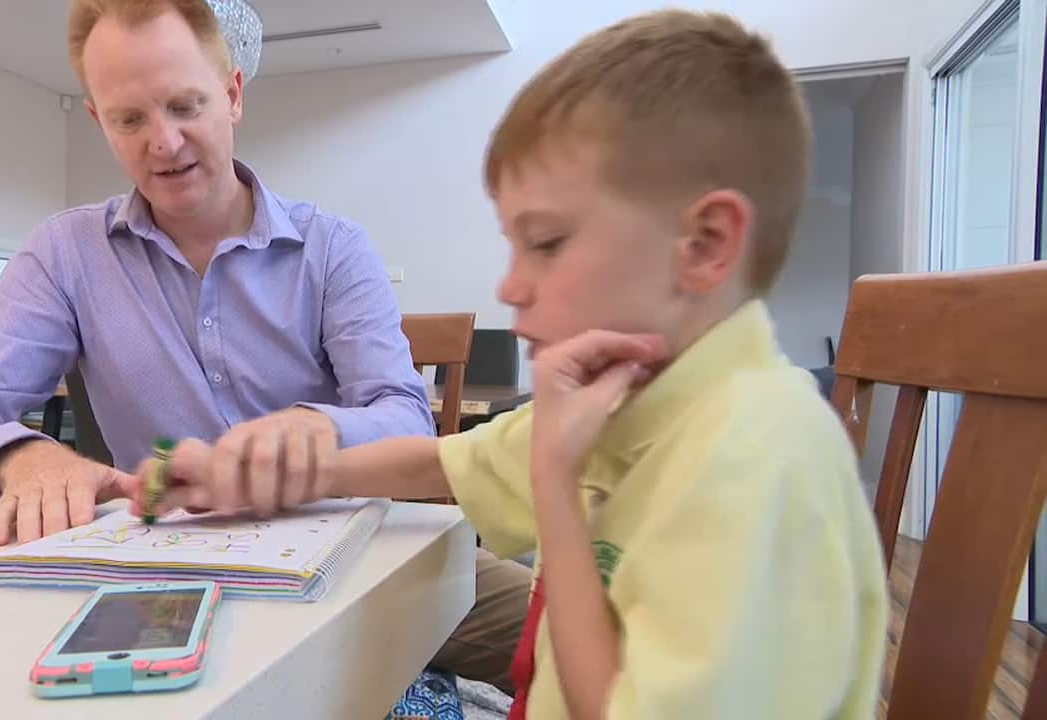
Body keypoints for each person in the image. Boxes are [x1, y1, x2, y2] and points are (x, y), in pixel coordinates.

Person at [141, 9, 889, 720]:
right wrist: (259, 473)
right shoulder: (632, 403)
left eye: (549, 242)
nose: (508, 284)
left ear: (704, 245)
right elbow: (437, 464)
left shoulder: (754, 456)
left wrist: (555, 495)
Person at [0, 0, 531, 695]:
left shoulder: (332, 248)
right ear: (97, 120)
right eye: (129, 119)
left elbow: (405, 416)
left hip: (358, 547)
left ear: (232, 94)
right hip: (161, 565)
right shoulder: (65, 254)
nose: (162, 143)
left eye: (184, 105)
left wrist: (313, 434)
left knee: (592, 641)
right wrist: (25, 457)